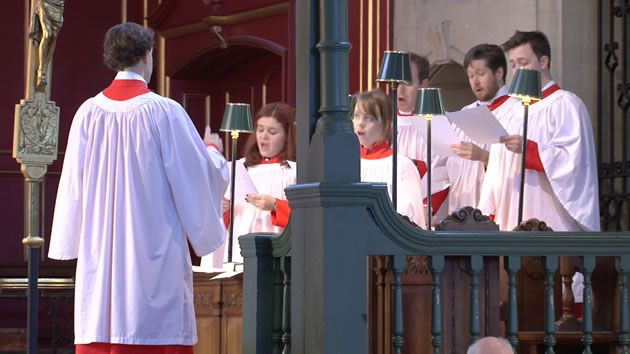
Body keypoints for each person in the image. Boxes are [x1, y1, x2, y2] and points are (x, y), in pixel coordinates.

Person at [47, 22, 229, 353]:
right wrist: (214, 153)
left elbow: (72, 183)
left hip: (100, 249)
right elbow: (195, 177)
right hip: (153, 250)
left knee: (103, 319)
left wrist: (69, 239)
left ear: (111, 58)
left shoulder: (87, 113)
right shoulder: (164, 112)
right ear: (148, 56)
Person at [478, 30, 600, 232]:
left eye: (523, 63)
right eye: (513, 64)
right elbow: (497, 168)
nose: (517, 71)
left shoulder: (565, 104)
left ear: (543, 62)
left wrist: (531, 150)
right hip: (510, 213)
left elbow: (575, 163)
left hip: (551, 219)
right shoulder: (510, 111)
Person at [202, 102, 297, 268]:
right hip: (237, 248)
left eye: (272, 132)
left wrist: (275, 205)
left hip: (272, 250)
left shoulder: (294, 171)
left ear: (287, 136)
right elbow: (220, 221)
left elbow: (306, 217)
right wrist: (222, 209)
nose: (264, 136)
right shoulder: (240, 168)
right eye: (260, 129)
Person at [442, 44, 520, 213]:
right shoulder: (466, 113)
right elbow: (446, 167)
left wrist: (484, 157)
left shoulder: (517, 111)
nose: (474, 82)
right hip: (460, 209)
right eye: (470, 76)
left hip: (499, 212)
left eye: (480, 74)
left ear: (499, 73)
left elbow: (522, 168)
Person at [353, 88, 427, 228]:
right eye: (357, 116)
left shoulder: (400, 166)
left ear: (386, 123)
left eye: (369, 118)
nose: (360, 123)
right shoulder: (346, 163)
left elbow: (411, 221)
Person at [396, 52, 449, 223]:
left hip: (425, 216)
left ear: (423, 84)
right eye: (397, 82)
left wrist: (426, 207)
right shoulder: (383, 122)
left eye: (408, 82)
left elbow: (443, 171)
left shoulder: (438, 123)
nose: (400, 89)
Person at [29, 0, 65, 91]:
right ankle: (41, 71)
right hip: (46, 3)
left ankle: (44, 68)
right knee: (47, 34)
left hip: (58, 5)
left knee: (54, 36)